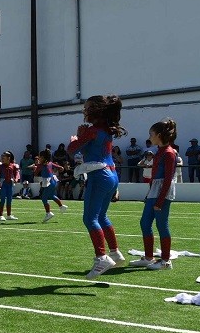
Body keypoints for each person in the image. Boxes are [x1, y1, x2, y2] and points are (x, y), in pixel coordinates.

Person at [67, 94, 126, 279]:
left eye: (87, 107)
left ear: (95, 110)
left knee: (90, 218)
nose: (84, 110)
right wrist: (83, 137)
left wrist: (77, 137)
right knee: (102, 216)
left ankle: (101, 257)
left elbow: (71, 150)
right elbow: (90, 151)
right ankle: (115, 253)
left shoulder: (93, 130)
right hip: (111, 174)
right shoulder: (106, 130)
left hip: (99, 175)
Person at [131, 119, 179, 270]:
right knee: (144, 223)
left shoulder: (170, 153)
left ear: (159, 135)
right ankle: (148, 257)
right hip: (154, 192)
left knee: (161, 225)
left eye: (151, 134)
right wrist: (150, 194)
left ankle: (165, 261)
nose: (149, 137)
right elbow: (154, 177)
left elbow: (167, 179)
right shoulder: (159, 152)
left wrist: (160, 200)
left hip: (162, 193)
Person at [33, 150, 67, 222]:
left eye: (40, 157)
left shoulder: (40, 165)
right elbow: (59, 167)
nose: (38, 158)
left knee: (44, 198)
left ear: (43, 157)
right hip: (54, 181)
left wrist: (35, 168)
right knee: (51, 195)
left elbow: (35, 174)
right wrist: (61, 167)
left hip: (48, 182)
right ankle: (61, 206)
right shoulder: (50, 163)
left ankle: (48, 213)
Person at [0, 151, 20, 221]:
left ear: (8, 158)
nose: (2, 159)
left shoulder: (13, 166)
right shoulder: (0, 167)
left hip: (10, 184)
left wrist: (16, 179)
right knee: (2, 199)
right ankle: (0, 215)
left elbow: (16, 174)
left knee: (9, 200)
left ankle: (9, 215)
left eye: (4, 157)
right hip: (3, 184)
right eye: (2, 158)